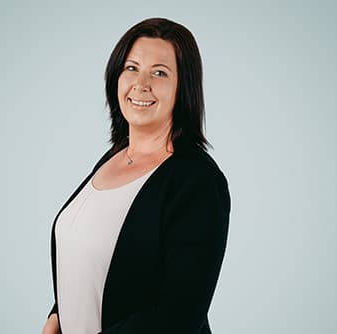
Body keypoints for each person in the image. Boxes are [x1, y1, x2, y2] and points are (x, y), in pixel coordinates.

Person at [42, 17, 231, 334]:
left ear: (182, 87)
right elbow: (87, 261)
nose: (141, 83)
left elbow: (177, 316)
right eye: (131, 68)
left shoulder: (197, 181)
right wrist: (56, 317)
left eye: (159, 72)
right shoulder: (113, 158)